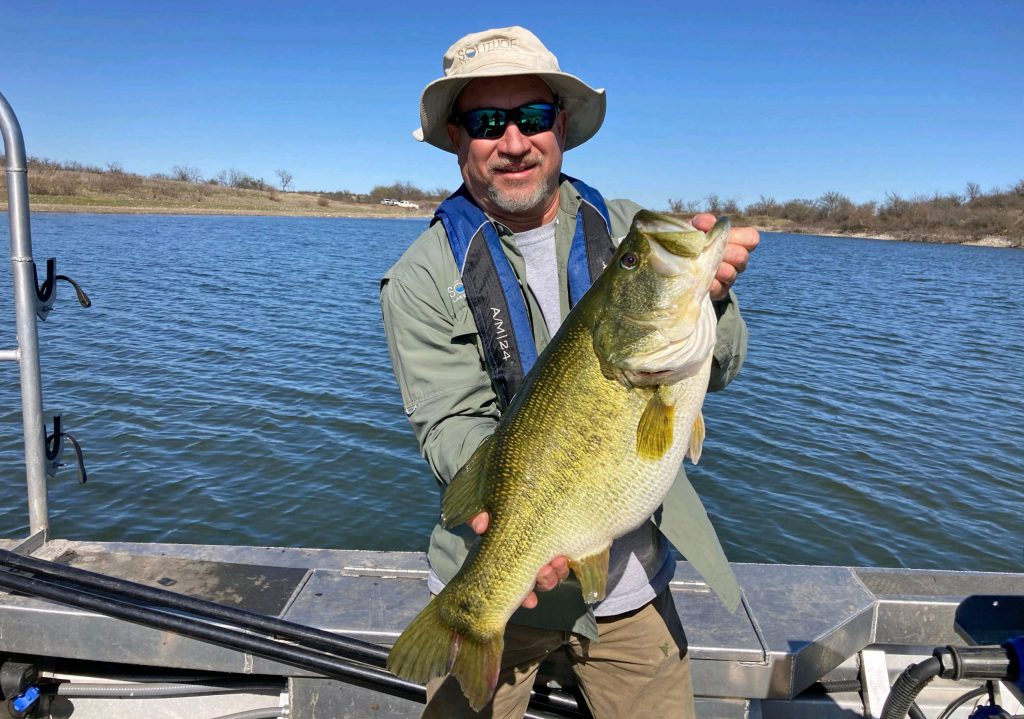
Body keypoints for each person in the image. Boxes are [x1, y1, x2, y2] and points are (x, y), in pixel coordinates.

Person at [380, 26, 759, 718]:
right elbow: (451, 427)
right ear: (459, 141)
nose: (514, 140)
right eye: (488, 122)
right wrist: (519, 526)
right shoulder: (418, 279)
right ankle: (470, 622)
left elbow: (723, 366)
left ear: (561, 128)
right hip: (499, 569)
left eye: (533, 116)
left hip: (630, 587)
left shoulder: (629, 231)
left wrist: (714, 299)